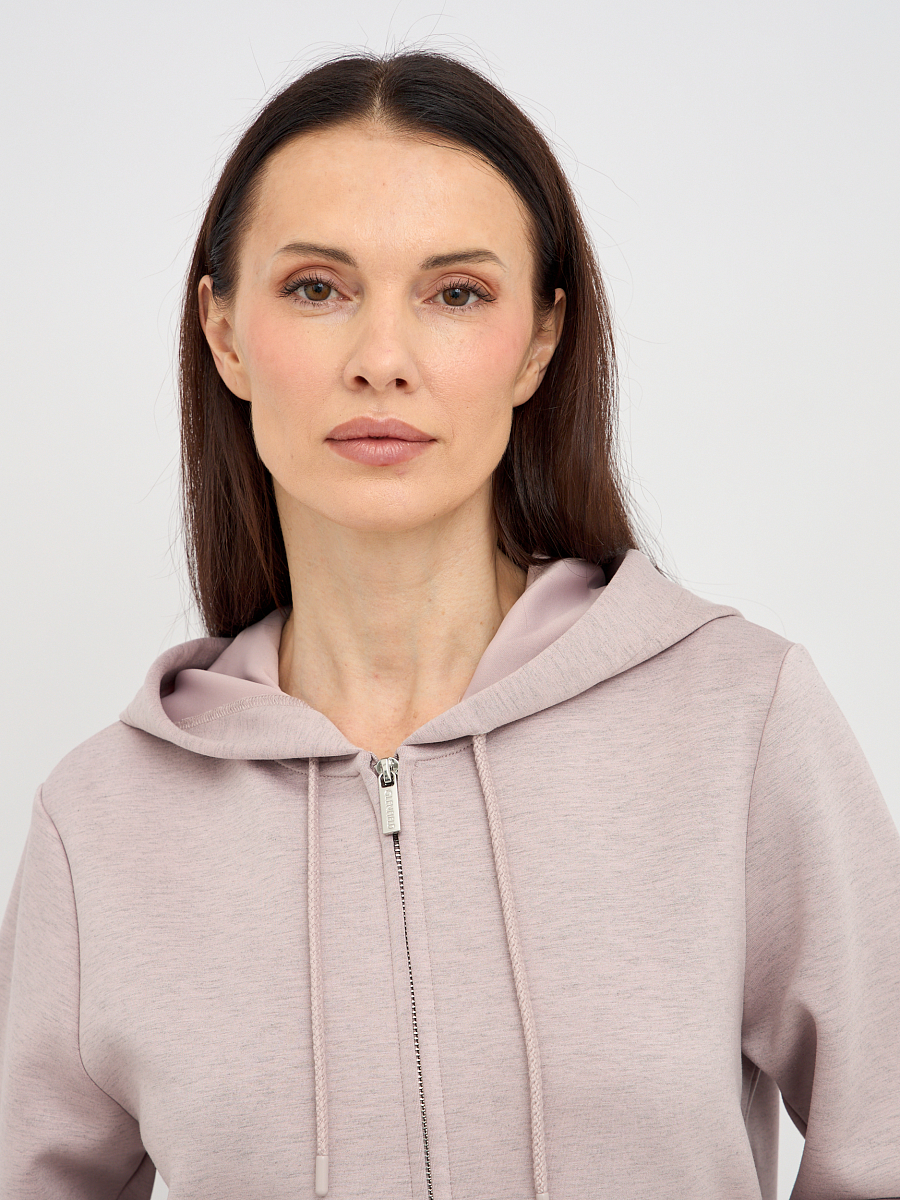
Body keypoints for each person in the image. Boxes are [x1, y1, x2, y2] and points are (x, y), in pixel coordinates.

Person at [1, 48, 898, 1200]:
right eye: (316, 288)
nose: (382, 361)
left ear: (540, 341)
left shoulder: (737, 722)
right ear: (224, 333)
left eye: (456, 294)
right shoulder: (102, 823)